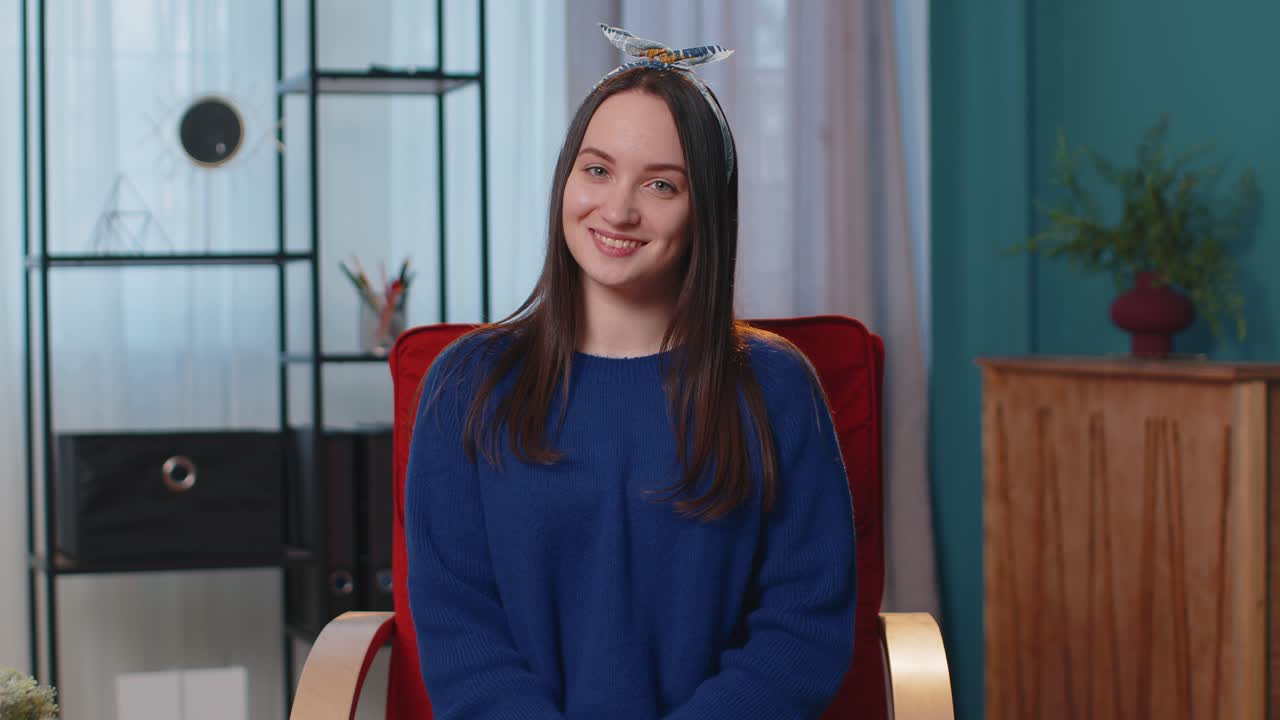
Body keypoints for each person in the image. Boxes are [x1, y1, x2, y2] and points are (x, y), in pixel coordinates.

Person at [404, 24, 856, 719]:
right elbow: (459, 628)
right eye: (597, 170)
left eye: (661, 184)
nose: (617, 210)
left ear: (705, 210)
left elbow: (802, 629)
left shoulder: (775, 388)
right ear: (565, 179)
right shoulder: (467, 384)